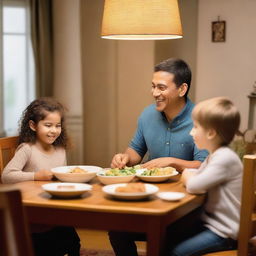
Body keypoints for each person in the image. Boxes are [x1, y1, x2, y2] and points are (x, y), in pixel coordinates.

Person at [109, 58, 208, 256]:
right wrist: (124, 158)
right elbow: (135, 151)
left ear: (182, 89)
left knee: (167, 240)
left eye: (161, 88)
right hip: (149, 198)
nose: (155, 93)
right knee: (116, 228)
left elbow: (204, 165)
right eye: (153, 87)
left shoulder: (201, 118)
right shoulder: (147, 114)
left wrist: (173, 162)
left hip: (185, 208)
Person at [1, 97, 81, 256]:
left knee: (74, 243)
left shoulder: (60, 149)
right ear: (33, 125)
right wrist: (36, 175)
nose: (54, 130)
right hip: (33, 216)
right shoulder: (27, 149)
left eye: (57, 126)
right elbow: (7, 176)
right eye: (48, 125)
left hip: (55, 209)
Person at [165, 97, 242, 256]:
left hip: (224, 232)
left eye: (195, 127)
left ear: (211, 132)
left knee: (177, 252)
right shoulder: (214, 156)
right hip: (212, 224)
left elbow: (194, 185)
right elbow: (197, 176)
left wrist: (187, 175)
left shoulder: (224, 158)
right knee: (166, 236)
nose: (191, 132)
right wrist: (190, 175)